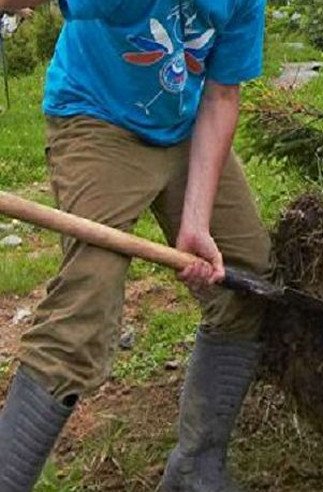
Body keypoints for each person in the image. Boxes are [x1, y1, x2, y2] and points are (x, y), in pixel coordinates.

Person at [0, 1, 270, 491]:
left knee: (246, 279)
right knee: (88, 300)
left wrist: (196, 221)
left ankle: (196, 466)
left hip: (187, 129)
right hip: (96, 119)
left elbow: (222, 93)